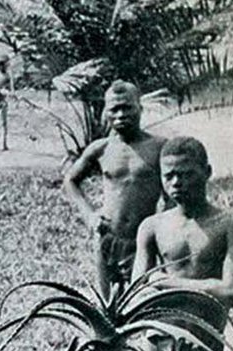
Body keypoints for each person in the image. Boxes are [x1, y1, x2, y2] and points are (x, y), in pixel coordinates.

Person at [132, 136, 233, 351]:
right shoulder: (153, 226)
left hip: (206, 349)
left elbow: (231, 290)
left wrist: (168, 284)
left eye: (186, 174)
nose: (176, 182)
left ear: (207, 172)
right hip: (159, 343)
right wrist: (200, 286)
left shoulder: (230, 225)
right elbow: (137, 291)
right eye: (169, 175)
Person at [63, 80, 167, 301]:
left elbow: (172, 196)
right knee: (108, 305)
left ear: (140, 107)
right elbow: (71, 181)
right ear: (105, 112)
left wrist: (163, 227)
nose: (120, 114)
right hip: (107, 237)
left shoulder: (159, 147)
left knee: (144, 300)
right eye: (114, 109)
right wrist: (90, 215)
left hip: (143, 241)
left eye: (127, 107)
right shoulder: (101, 149)